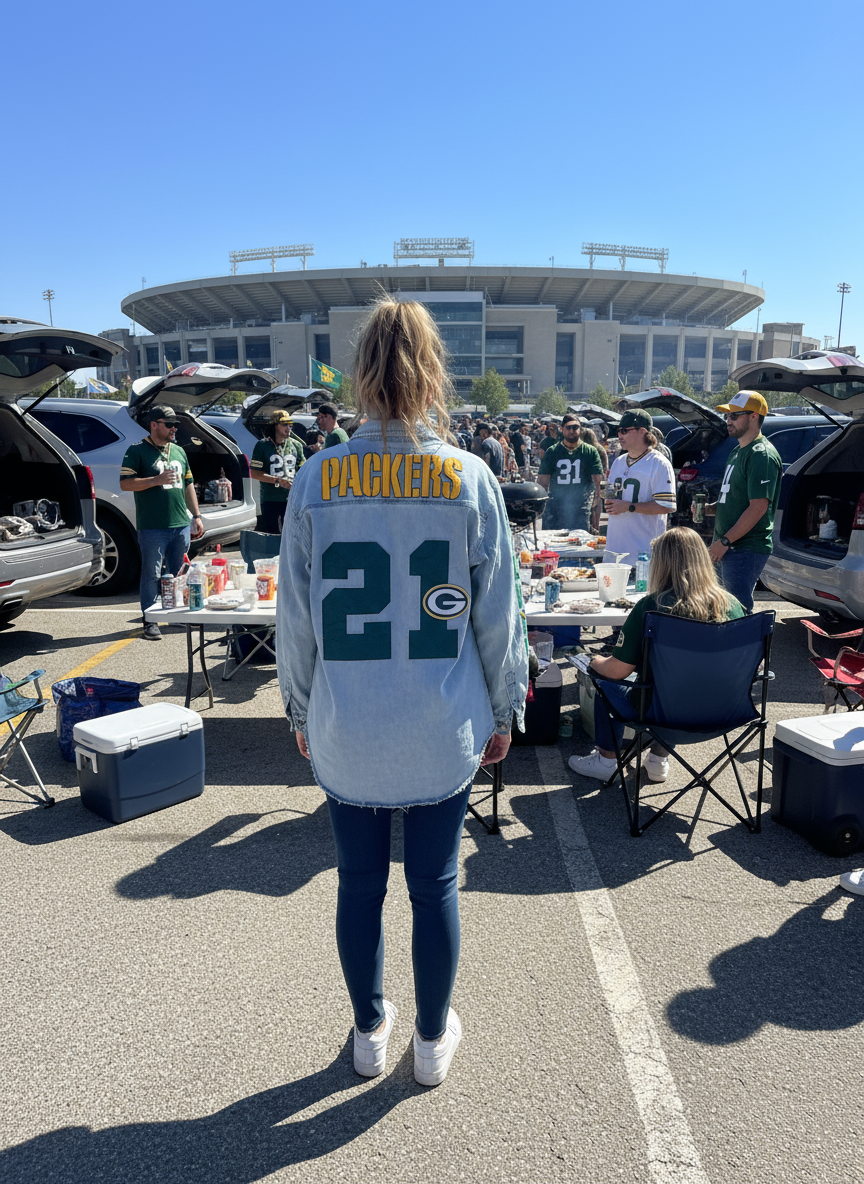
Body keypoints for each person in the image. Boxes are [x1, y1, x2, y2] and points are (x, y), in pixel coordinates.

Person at [277, 296, 528, 1088]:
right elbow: (498, 615)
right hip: (438, 721)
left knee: (359, 885)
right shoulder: (469, 476)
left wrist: (296, 704)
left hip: (349, 720)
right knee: (436, 884)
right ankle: (427, 1044)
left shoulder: (318, 475)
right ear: (432, 371)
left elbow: (294, 612)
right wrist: (506, 703)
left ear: (359, 372)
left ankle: (367, 1031)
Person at [569, 527, 746, 781]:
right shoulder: (731, 604)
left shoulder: (651, 606)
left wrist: (593, 661)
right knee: (680, 683)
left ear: (661, 563)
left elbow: (617, 671)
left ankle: (607, 760)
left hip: (664, 713)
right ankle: (658, 759)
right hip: (725, 711)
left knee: (604, 678)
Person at [119, 404, 203, 641]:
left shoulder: (178, 451)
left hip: (180, 524)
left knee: (177, 572)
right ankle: (149, 619)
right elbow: (125, 483)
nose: (174, 428)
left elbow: (188, 485)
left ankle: (174, 613)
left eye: (175, 424)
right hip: (153, 525)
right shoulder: (137, 451)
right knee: (152, 574)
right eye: (169, 424)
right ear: (153, 424)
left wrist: (196, 516)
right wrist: (156, 480)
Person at [700, 390, 782, 614]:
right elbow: (734, 497)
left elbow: (758, 507)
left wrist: (724, 542)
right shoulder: (738, 450)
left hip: (744, 548)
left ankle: (746, 650)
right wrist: (710, 508)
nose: (728, 421)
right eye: (727, 416)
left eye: (734, 416)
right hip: (727, 546)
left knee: (737, 612)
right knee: (720, 609)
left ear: (754, 416)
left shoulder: (761, 454)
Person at [604, 409, 676, 567]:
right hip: (614, 552)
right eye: (618, 431)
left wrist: (628, 507)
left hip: (643, 555)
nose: (619, 435)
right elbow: (611, 497)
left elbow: (666, 506)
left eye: (624, 430)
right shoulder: (618, 461)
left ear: (642, 431)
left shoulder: (659, 463)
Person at [538, 414, 604, 532]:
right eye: (568, 428)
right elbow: (542, 484)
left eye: (575, 427)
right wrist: (542, 510)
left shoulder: (590, 451)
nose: (572, 431)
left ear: (580, 429)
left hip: (581, 507)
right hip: (555, 507)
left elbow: (597, 487)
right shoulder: (552, 452)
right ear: (562, 429)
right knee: (551, 546)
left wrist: (596, 520)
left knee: (580, 546)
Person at [250, 410, 305, 534]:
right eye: (284, 424)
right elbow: (254, 473)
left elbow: (303, 471)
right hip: (270, 499)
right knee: (273, 535)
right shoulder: (262, 445)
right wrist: (277, 480)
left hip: (292, 499)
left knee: (292, 535)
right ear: (275, 425)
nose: (288, 428)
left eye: (290, 425)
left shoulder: (296, 445)